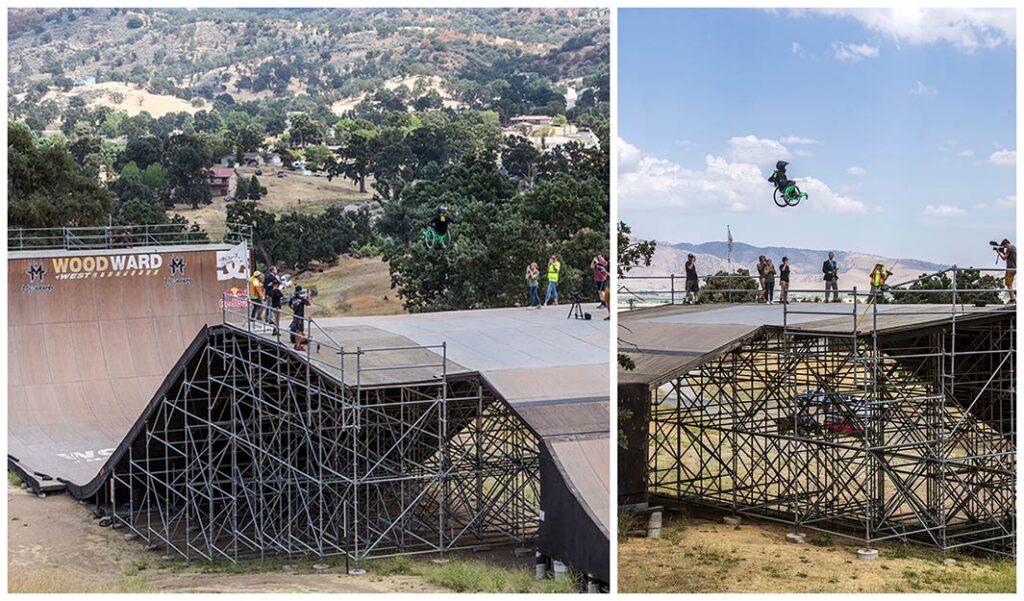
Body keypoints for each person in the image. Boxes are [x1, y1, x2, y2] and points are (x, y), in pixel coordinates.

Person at [288, 285, 311, 351]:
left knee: (297, 330)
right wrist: (308, 297)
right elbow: (308, 304)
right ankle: (298, 345)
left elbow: (290, 305)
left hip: (295, 315)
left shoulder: (292, 299)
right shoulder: (301, 299)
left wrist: (294, 309)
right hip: (300, 315)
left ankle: (297, 344)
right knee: (300, 331)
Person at [995, 239, 1016, 304]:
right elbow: (1008, 257)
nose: (1004, 247)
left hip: (1010, 268)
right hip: (1014, 268)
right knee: (1010, 284)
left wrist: (998, 252)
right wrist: (1003, 252)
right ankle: (1012, 298)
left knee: (1008, 284)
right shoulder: (1013, 247)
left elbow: (1004, 258)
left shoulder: (1009, 248)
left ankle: (1012, 299)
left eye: (1004, 246)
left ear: (1006, 243)